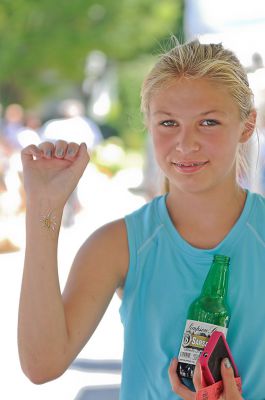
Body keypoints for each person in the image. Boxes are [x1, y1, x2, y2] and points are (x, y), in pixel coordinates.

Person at [18, 38, 263, 400]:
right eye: (168, 123)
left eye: (208, 122)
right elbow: (42, 364)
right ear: (148, 124)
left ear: (247, 125)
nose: (185, 143)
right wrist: (44, 208)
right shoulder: (117, 246)